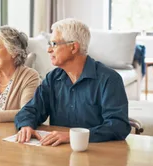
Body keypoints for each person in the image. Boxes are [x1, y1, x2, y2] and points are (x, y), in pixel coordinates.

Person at [15, 18, 130, 146]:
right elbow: (31, 110)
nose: (49, 50)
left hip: (98, 153)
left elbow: (118, 126)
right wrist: (26, 125)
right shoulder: (52, 78)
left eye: (54, 44)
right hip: (58, 153)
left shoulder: (109, 79)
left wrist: (72, 136)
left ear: (73, 47)